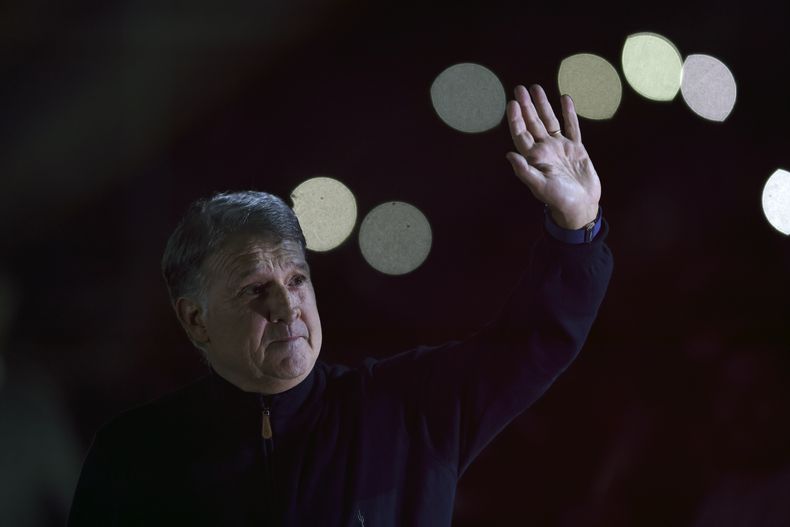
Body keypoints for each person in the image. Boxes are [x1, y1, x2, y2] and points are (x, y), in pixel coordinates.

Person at [68, 84, 613, 526]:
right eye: (254, 288)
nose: (287, 306)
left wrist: (577, 226)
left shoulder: (406, 411)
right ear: (195, 319)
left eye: (297, 279)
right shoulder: (134, 459)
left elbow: (535, 342)